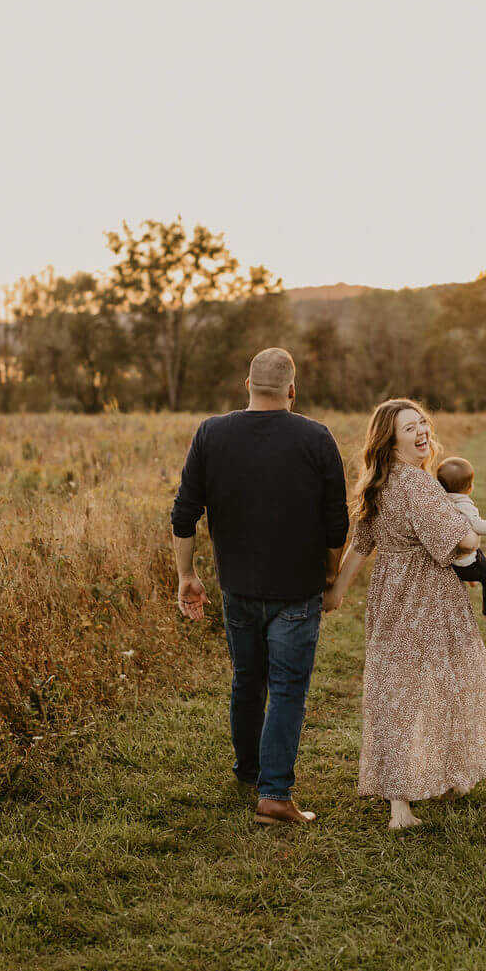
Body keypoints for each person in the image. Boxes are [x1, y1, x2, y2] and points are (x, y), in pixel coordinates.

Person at [322, 399, 486, 830]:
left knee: (397, 688)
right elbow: (464, 542)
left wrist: (337, 590)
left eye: (423, 424)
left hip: (390, 595)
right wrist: (472, 528)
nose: (421, 433)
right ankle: (405, 801)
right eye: (409, 428)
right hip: (427, 596)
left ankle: (439, 781)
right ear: (390, 440)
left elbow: (362, 542)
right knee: (439, 684)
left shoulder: (379, 484)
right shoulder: (418, 485)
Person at [171, 348, 348, 827]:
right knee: (288, 689)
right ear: (292, 390)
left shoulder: (211, 432)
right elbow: (337, 525)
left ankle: (250, 771)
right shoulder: (316, 437)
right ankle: (273, 795)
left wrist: (187, 577)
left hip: (237, 592)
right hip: (295, 592)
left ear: (245, 385)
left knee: (248, 681)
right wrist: (330, 577)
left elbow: (184, 513)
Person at [434, 455, 486, 629]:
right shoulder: (464, 505)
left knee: (480, 557)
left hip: (454, 556)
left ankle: (473, 578)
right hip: (464, 562)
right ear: (469, 488)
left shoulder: (441, 500)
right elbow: (477, 524)